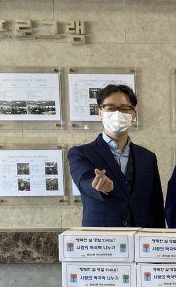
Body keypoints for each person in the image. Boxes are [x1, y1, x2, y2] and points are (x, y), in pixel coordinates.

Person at [68, 84, 165, 227]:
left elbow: (156, 203)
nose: (117, 114)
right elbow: (84, 182)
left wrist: (159, 234)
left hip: (141, 234)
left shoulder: (147, 157)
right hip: (103, 234)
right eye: (110, 108)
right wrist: (99, 187)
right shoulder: (81, 153)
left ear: (133, 115)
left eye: (124, 109)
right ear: (100, 113)